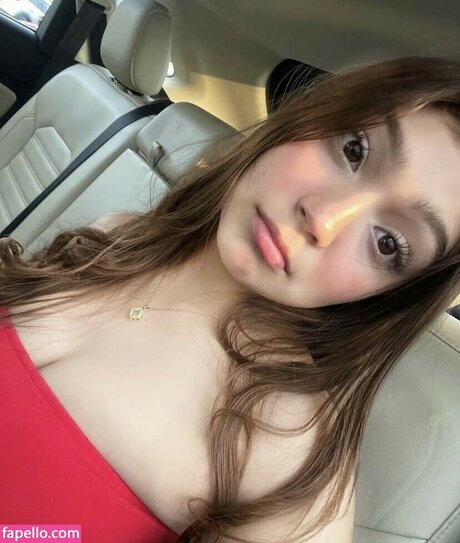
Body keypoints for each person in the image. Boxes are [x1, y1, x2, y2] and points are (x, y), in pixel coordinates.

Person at [0, 55, 459, 543]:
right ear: (313, 115)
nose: (324, 220)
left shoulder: (287, 460)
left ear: (391, 293)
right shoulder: (118, 235)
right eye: (354, 150)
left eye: (388, 243)